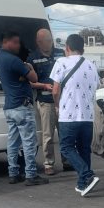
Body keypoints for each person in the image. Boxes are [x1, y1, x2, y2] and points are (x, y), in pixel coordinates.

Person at [0, 31, 49, 186]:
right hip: (22, 106)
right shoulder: (14, 60)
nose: (19, 46)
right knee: (29, 142)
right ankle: (31, 175)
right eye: (16, 43)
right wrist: (29, 66)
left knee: (12, 141)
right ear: (7, 42)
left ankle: (13, 173)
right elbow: (34, 78)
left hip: (10, 107)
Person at [51, 34, 101, 197]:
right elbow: (96, 87)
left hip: (69, 115)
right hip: (87, 116)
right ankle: (82, 185)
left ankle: (87, 175)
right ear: (83, 49)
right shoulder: (91, 65)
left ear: (67, 47)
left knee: (66, 148)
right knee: (83, 149)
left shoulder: (61, 62)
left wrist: (57, 105)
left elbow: (56, 90)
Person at [27, 28, 72, 175]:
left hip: (63, 101)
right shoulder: (32, 58)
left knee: (65, 133)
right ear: (39, 42)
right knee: (48, 135)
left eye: (51, 40)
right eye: (46, 41)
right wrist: (44, 85)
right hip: (46, 101)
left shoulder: (61, 53)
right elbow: (30, 83)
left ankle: (67, 161)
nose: (50, 44)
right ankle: (48, 164)